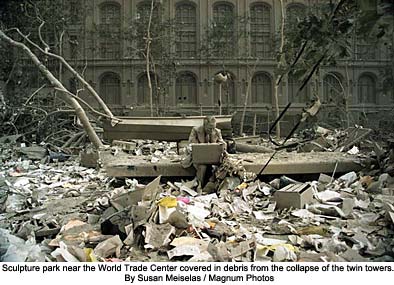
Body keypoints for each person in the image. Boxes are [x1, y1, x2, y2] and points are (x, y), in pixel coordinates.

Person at [186, 116, 226, 192]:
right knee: (202, 167)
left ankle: (213, 187)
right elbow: (191, 145)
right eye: (210, 128)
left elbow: (223, 143)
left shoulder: (217, 131)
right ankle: (200, 185)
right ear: (204, 125)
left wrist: (222, 145)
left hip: (213, 157)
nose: (212, 130)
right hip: (198, 157)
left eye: (213, 128)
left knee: (220, 167)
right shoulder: (196, 130)